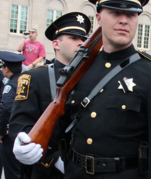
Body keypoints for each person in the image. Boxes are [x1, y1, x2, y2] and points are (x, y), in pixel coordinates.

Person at [13, 0, 151, 178]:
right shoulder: (79, 69)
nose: (124, 20)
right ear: (99, 18)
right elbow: (60, 125)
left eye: (131, 14)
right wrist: (27, 143)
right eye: (115, 12)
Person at [9, 12, 91, 179]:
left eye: (83, 39)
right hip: (46, 171)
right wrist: (52, 159)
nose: (81, 43)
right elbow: (21, 125)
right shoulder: (36, 78)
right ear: (56, 43)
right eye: (73, 38)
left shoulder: (93, 78)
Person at [0, 51, 26, 179]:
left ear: (7, 69)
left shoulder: (10, 85)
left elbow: (5, 108)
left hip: (12, 134)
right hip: (26, 131)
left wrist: (1, 131)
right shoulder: (26, 82)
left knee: (12, 171)